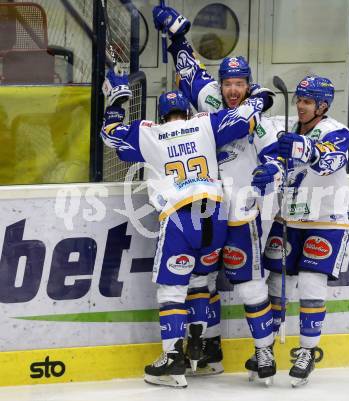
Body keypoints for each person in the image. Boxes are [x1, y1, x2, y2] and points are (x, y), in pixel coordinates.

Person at [101, 67, 266, 388]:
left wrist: (116, 101)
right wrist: (257, 97)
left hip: (180, 216)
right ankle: (203, 352)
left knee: (172, 289)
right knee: (202, 280)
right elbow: (244, 119)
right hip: (217, 214)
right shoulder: (204, 123)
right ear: (187, 112)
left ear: (162, 116)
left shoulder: (149, 132)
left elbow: (110, 136)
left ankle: (173, 359)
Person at [152, 5, 279, 383]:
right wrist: (174, 36)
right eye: (228, 83)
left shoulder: (260, 119)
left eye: (240, 84)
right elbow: (188, 67)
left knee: (250, 282)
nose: (233, 90)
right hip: (205, 211)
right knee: (198, 281)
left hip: (239, 213)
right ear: (221, 85)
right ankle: (208, 348)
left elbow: (274, 160)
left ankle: (264, 353)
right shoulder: (209, 99)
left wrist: (265, 176)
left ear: (248, 85)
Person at [251, 75, 349, 386]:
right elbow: (279, 164)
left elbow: (330, 161)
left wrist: (307, 150)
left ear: (322, 105)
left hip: (326, 219)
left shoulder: (336, 131)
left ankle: (307, 352)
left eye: (307, 102)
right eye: (299, 100)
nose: (300, 105)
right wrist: (269, 172)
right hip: (289, 219)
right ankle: (264, 349)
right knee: (276, 284)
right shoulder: (289, 127)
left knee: (310, 283)